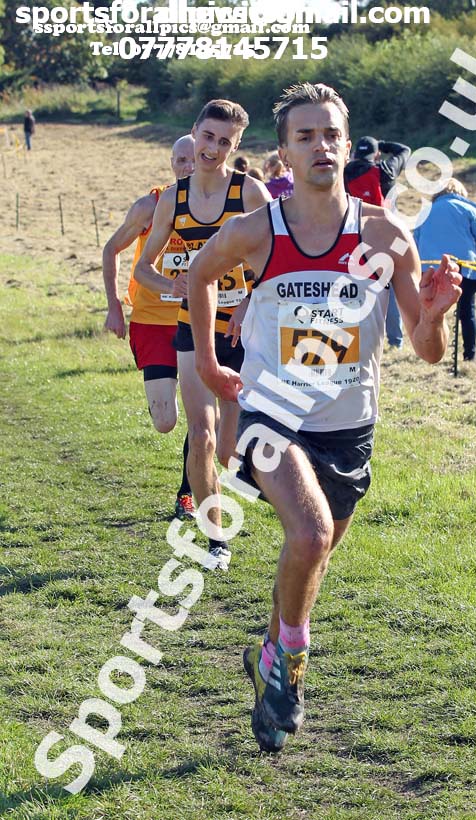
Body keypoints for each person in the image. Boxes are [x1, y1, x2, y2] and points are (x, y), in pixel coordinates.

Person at [186, 82, 461, 752]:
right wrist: (206, 361)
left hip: (348, 424)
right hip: (269, 416)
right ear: (283, 151)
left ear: (345, 143)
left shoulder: (384, 236)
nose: (321, 146)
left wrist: (432, 315)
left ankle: (268, 655)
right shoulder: (256, 231)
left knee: (311, 557)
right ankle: (293, 669)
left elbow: (426, 353)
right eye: (305, 136)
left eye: (331, 134)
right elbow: (197, 275)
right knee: (307, 536)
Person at [135, 99, 271, 569]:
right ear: (195, 133)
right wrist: (172, 283)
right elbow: (143, 267)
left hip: (241, 331)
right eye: (207, 137)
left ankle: (236, 491)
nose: (212, 149)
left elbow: (279, 263)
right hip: (192, 328)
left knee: (230, 448)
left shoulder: (251, 194)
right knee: (203, 436)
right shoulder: (173, 198)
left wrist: (250, 301)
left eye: (224, 142)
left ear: (236, 147)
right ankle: (215, 539)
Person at [103, 134, 196, 520]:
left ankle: (187, 494)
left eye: (194, 160)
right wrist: (113, 307)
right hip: (151, 321)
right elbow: (111, 249)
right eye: (181, 160)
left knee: (203, 417)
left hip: (197, 320)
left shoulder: (224, 207)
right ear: (172, 163)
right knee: (165, 422)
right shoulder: (151, 206)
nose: (188, 167)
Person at [344, 136, 411, 350]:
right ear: (376, 154)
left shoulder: (342, 173)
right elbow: (405, 149)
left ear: (354, 153)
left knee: (356, 287)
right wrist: (383, 144)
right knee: (389, 286)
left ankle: (359, 332)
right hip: (388, 237)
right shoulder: (385, 170)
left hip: (352, 237)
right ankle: (395, 340)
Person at [414, 177, 476, 362]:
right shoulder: (468, 209)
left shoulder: (426, 212)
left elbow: (415, 241)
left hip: (432, 272)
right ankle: (469, 354)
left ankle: (431, 346)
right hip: (467, 271)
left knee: (433, 311)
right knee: (467, 310)